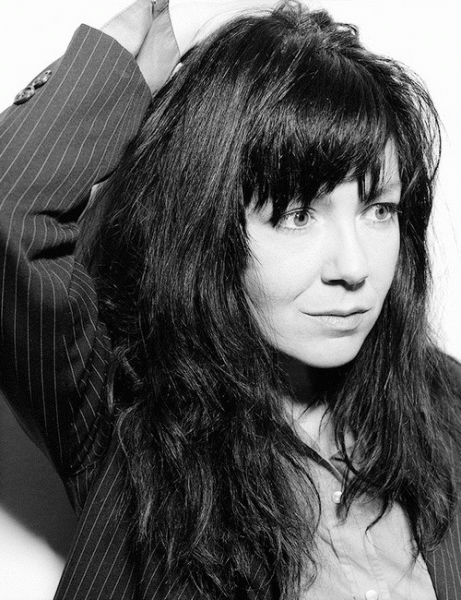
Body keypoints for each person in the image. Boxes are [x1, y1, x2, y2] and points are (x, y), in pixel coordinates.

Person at [1, 0, 460, 598]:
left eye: (379, 210)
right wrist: (123, 68)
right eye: (298, 215)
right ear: (209, 229)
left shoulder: (445, 409)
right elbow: (9, 216)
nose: (354, 268)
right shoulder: (126, 417)